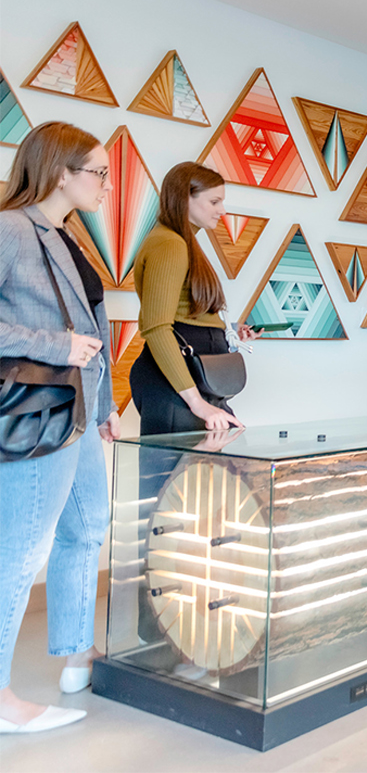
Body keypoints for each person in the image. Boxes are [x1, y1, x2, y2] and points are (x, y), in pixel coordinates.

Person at [0, 122, 122, 733]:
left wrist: (104, 410)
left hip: (77, 416)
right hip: (36, 416)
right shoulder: (12, 230)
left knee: (86, 531)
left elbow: (93, 335)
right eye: (98, 172)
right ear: (61, 172)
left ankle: (77, 656)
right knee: (20, 553)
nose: (106, 183)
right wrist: (55, 344)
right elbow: (67, 339)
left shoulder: (67, 237)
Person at [130, 163, 254, 435]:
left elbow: (183, 314)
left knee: (202, 472)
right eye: (214, 201)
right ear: (184, 198)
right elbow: (157, 327)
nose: (222, 210)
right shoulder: (170, 243)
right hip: (178, 385)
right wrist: (197, 403)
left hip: (192, 380)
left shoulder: (182, 242)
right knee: (174, 474)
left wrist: (229, 332)